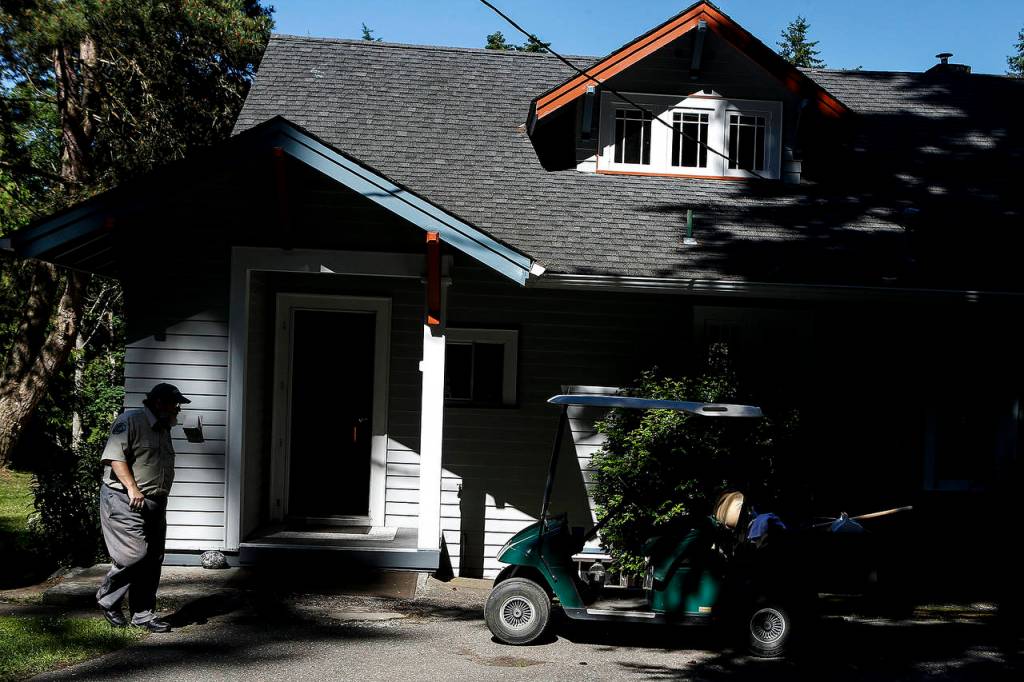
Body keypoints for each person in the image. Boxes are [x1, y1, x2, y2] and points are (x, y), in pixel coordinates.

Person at [95, 382, 190, 632]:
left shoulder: (163, 427)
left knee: (152, 559)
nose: (177, 410)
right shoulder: (130, 421)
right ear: (159, 403)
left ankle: (143, 614)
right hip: (124, 499)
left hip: (155, 502)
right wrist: (132, 488)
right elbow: (116, 457)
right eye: (174, 404)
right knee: (133, 555)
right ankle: (108, 599)